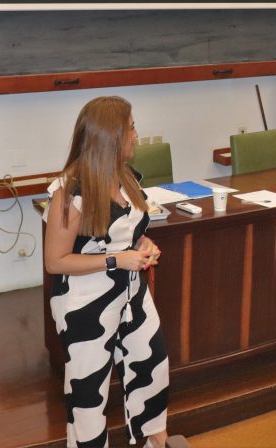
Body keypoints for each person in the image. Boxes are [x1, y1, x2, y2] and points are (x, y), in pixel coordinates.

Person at [44, 96, 169, 448]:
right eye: (131, 128)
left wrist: (144, 245)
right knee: (88, 396)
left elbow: (127, 232)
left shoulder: (124, 176)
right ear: (111, 136)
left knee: (153, 368)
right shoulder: (70, 192)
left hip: (132, 294)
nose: (136, 135)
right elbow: (55, 261)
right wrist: (117, 260)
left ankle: (155, 440)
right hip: (85, 305)